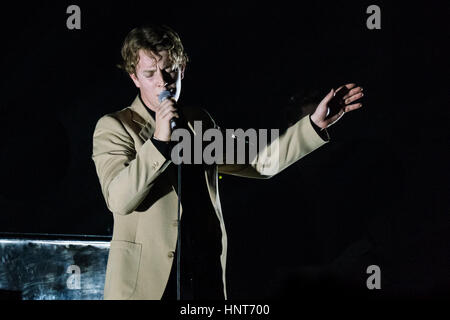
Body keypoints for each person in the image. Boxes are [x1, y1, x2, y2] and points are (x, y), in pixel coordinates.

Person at [91, 24, 363, 300]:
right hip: (147, 286)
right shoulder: (116, 127)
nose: (163, 81)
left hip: (203, 277)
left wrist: (314, 125)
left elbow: (259, 163)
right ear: (134, 77)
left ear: (182, 69)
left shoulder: (198, 121)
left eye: (169, 70)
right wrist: (159, 141)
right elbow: (119, 199)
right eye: (150, 74)